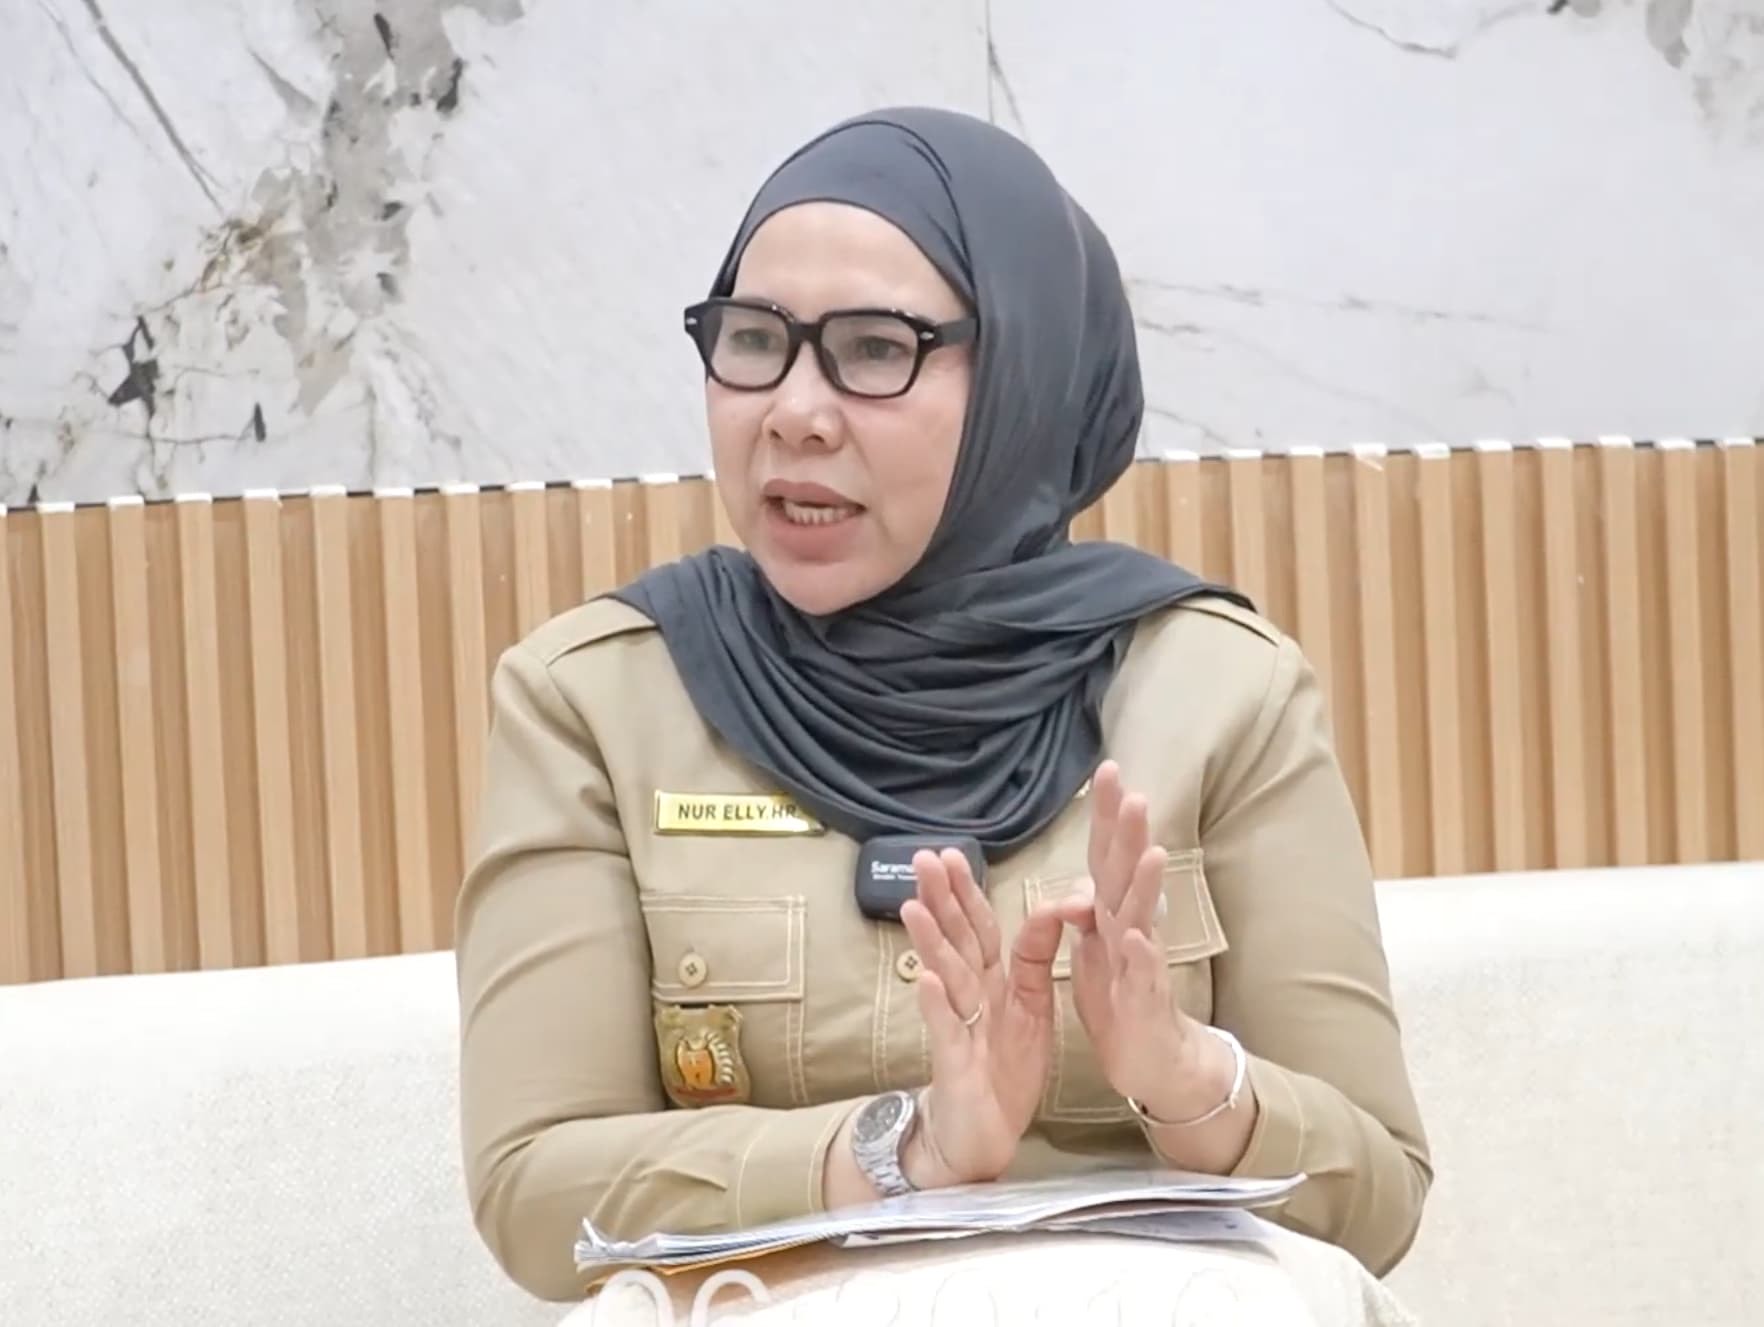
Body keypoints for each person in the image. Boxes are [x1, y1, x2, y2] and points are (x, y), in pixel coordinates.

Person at [454, 106, 1431, 1306]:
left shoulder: (1221, 692)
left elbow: (1378, 1194)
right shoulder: (597, 701)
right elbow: (536, 1190)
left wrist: (1189, 1080)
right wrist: (899, 1154)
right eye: (754, 339)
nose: (793, 410)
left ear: (1025, 377)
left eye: (874, 349)